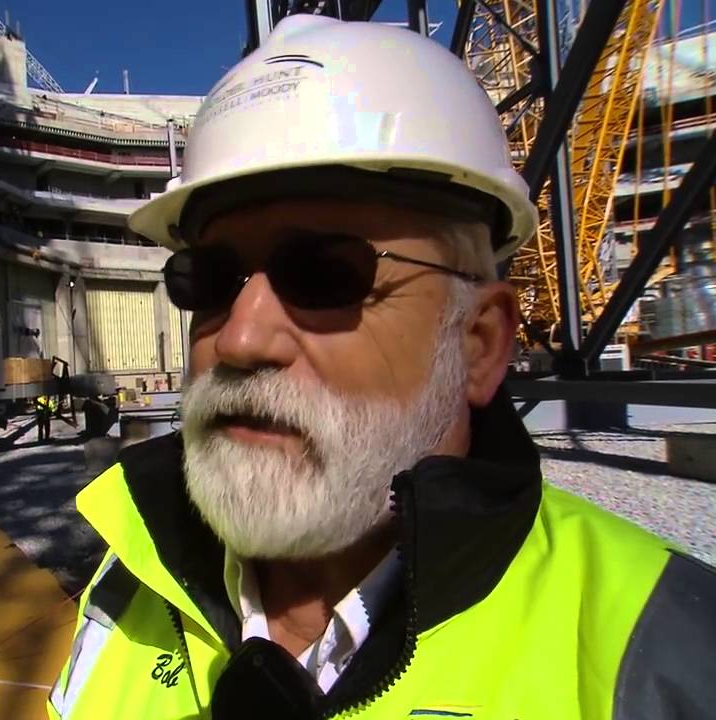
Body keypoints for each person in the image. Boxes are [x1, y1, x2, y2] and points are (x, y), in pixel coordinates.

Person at [47, 14, 715, 720]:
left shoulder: (661, 659)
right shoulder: (128, 585)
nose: (240, 339)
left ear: (479, 344)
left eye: (325, 274)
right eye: (209, 280)